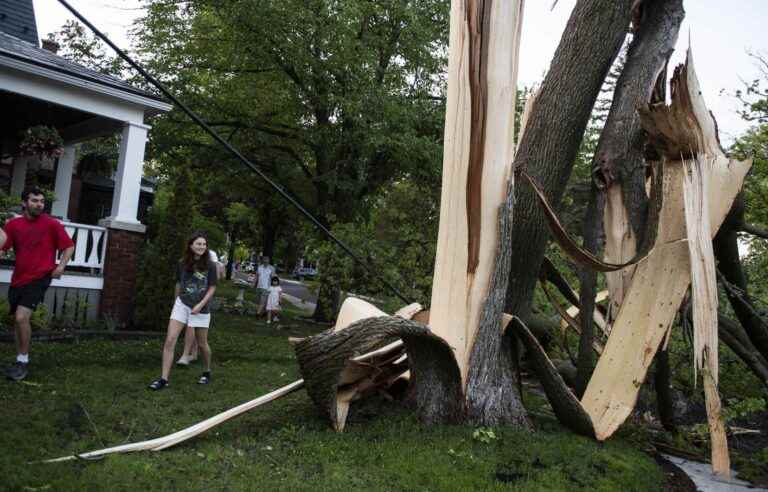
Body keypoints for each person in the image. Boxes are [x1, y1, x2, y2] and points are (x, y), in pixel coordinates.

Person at [0, 188, 75, 381]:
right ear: (25, 203)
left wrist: (61, 266)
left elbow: (69, 246)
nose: (39, 204)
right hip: (18, 278)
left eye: (41, 201)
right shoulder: (13, 225)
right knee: (18, 322)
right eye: (35, 201)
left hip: (40, 277)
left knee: (21, 317)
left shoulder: (51, 224)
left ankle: (23, 362)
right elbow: (3, 247)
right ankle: (19, 359)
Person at [149, 232, 217, 390]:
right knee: (170, 339)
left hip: (201, 308)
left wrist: (200, 305)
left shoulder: (211, 265)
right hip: (182, 304)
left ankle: (206, 371)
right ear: (191, 245)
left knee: (201, 344)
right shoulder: (182, 263)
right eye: (198, 244)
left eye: (204, 244)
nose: (201, 247)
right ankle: (164, 379)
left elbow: (212, 287)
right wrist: (176, 302)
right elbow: (179, 283)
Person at [176, 248, 224, 366]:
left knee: (192, 326)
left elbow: (216, 277)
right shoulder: (189, 258)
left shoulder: (211, 254)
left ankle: (186, 354)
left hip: (202, 297)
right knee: (193, 326)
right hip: (190, 296)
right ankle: (193, 353)